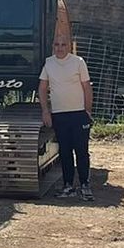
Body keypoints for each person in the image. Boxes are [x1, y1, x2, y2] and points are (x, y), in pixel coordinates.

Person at [39, 29, 94, 199]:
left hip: (78, 114)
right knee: (65, 151)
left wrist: (87, 111)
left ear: (69, 46)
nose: (60, 48)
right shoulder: (49, 63)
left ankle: (85, 185)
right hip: (59, 114)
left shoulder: (78, 62)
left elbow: (87, 87)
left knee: (81, 151)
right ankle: (68, 185)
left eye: (63, 45)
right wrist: (45, 111)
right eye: (57, 45)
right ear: (53, 46)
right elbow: (42, 88)